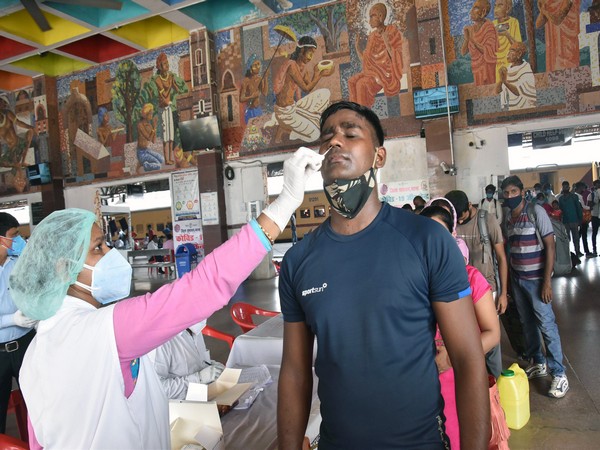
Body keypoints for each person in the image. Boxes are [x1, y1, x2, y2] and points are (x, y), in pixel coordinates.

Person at [8, 146, 323, 449]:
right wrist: (284, 204)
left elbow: (41, 440)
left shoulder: (35, 353)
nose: (110, 253)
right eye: (98, 247)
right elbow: (204, 284)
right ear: (65, 269)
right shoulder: (106, 330)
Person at [277, 101, 490, 449]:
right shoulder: (299, 261)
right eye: (327, 136)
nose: (335, 142)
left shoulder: (426, 241)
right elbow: (296, 371)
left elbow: (467, 359)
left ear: (379, 157)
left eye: (350, 133)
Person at [421, 204, 500, 450]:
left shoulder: (470, 277)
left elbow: (493, 333)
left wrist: (453, 357)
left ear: (452, 237)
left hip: (459, 378)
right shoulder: (414, 282)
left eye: (440, 234)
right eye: (426, 236)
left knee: (457, 439)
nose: (433, 243)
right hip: (422, 381)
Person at [501, 175, 569, 398]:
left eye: (513, 191)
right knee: (527, 323)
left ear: (522, 191)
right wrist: (511, 284)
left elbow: (550, 246)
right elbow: (512, 250)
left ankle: (559, 374)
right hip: (519, 280)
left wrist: (547, 281)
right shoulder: (509, 218)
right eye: (506, 193)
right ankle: (538, 362)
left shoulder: (535, 211)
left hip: (537, 281)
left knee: (546, 325)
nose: (509, 196)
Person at [445, 190, 507, 378]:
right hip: (460, 289)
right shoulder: (452, 224)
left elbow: (501, 257)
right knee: (467, 336)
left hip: (486, 288)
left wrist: (503, 293)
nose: (460, 221)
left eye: (461, 216)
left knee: (491, 343)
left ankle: (494, 386)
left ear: (469, 207)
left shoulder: (487, 221)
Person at [0, 213, 37, 434]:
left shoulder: (18, 265)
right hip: (0, 353)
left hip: (25, 344)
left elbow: (34, 292)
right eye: (14, 236)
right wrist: (11, 320)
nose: (19, 240)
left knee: (38, 401)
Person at [265, 36, 334, 144]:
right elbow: (306, 88)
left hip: (294, 106)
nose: (311, 57)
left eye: (313, 54)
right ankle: (286, 129)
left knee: (325, 93)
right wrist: (319, 75)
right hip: (285, 113)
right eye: (310, 53)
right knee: (315, 134)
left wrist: (317, 73)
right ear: (302, 50)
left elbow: (308, 88)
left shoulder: (304, 68)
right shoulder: (292, 65)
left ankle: (299, 120)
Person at [348, 2, 404, 108]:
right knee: (351, 81)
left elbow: (396, 58)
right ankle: (355, 111)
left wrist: (386, 41)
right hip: (371, 72)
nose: (370, 20)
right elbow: (366, 60)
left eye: (372, 16)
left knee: (361, 84)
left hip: (384, 75)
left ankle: (364, 115)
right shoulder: (372, 36)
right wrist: (357, 48)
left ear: (380, 16)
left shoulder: (392, 31)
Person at [153, 320, 225, 399]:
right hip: (180, 406)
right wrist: (198, 378)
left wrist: (213, 365)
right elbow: (157, 390)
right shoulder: (161, 342)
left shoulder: (195, 328)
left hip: (204, 395)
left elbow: (197, 362)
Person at [154, 52, 188, 165]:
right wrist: (170, 82)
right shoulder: (158, 79)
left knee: (171, 135)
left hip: (169, 107)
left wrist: (178, 88)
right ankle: (167, 158)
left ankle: (170, 158)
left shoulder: (170, 76)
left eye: (167, 63)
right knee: (166, 136)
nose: (167, 65)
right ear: (160, 66)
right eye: (164, 63)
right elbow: (164, 95)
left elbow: (177, 89)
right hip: (163, 108)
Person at [536, 0, 580, 72]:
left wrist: (544, 11)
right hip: (554, 43)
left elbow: (557, 20)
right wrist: (542, 9)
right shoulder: (549, 2)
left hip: (567, 40)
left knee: (567, 68)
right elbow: (538, 24)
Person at [462, 0, 498, 86]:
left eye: (476, 8)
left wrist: (472, 39)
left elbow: (487, 51)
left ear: (483, 11)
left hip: (487, 68)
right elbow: (463, 52)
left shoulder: (489, 27)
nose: (471, 11)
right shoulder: (472, 28)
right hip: (476, 68)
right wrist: (467, 39)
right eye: (473, 7)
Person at [496, 42, 536, 111]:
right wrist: (501, 79)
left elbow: (519, 92)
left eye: (511, 51)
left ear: (519, 54)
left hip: (527, 107)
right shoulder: (508, 69)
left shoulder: (526, 69)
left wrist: (505, 82)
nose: (507, 54)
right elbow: (498, 91)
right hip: (512, 108)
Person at [0, 96, 36, 166]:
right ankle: (18, 164)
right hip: (11, 148)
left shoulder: (7, 113)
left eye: (2, 102)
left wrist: (31, 127)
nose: (2, 105)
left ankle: (22, 161)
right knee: (8, 164)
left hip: (18, 142)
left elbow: (19, 123)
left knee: (30, 132)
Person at [493, 0, 522, 82]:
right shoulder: (492, 25)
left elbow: (518, 46)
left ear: (508, 8)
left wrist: (507, 35)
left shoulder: (513, 22)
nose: (496, 9)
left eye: (500, 5)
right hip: (498, 62)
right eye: (495, 6)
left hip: (510, 61)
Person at [240, 54, 268, 124]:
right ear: (250, 68)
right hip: (250, 110)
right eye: (255, 65)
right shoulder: (246, 81)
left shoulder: (260, 79)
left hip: (258, 109)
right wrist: (252, 96)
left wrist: (265, 78)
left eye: (258, 64)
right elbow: (241, 98)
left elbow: (265, 93)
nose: (258, 67)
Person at [137, 103, 165, 172]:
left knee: (162, 159)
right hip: (141, 152)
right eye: (151, 114)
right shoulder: (140, 125)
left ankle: (144, 162)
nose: (152, 116)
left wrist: (154, 127)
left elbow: (153, 140)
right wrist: (154, 127)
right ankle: (145, 165)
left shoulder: (149, 125)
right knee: (158, 166)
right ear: (146, 114)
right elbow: (148, 138)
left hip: (147, 150)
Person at [558, 180, 583, 256]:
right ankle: (567, 252)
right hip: (565, 221)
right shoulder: (560, 199)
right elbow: (560, 210)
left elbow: (578, 208)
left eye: (566, 187)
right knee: (566, 238)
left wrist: (580, 219)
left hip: (574, 219)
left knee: (576, 237)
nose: (565, 188)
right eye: (563, 187)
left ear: (569, 187)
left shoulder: (574, 197)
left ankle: (577, 251)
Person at [574, 182, 593, 257]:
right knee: (583, 235)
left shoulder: (574, 195)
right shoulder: (578, 196)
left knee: (579, 235)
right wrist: (590, 208)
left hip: (577, 218)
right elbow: (583, 207)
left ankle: (578, 250)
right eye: (583, 188)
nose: (584, 189)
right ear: (580, 187)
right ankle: (587, 252)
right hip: (582, 218)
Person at [588, 179, 600, 257]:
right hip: (595, 215)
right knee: (594, 233)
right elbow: (590, 206)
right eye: (597, 184)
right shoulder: (591, 195)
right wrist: (596, 201)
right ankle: (594, 249)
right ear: (594, 185)